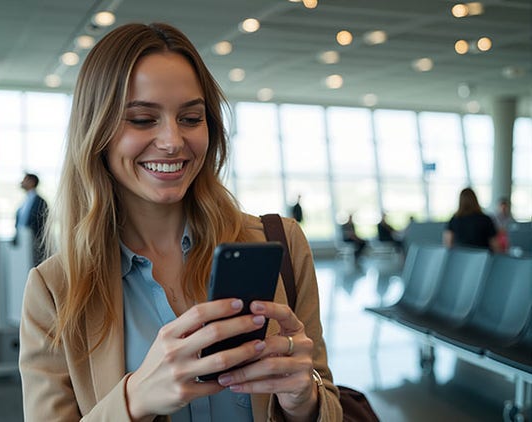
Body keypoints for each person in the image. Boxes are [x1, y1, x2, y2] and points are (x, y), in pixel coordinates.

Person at [19, 23, 341, 421]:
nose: (172, 140)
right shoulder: (55, 290)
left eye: (190, 118)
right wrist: (134, 399)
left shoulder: (281, 245)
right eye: (141, 119)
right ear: (95, 131)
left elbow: (326, 399)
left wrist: (303, 400)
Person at [443, 187, 498, 251]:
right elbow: (494, 244)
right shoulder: (486, 219)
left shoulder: (455, 219)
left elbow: (448, 243)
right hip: (482, 257)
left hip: (460, 257)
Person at [14, 173, 48, 266]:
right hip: (23, 240)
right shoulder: (25, 201)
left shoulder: (40, 201)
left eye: (25, 180)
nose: (22, 182)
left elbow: (41, 223)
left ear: (32, 182)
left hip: (34, 241)